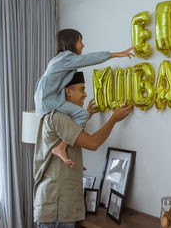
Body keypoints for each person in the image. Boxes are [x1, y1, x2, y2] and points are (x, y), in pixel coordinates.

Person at [33, 72, 133, 227]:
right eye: (82, 89)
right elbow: (93, 143)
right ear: (68, 91)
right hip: (58, 206)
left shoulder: (58, 116)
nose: (85, 94)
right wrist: (113, 119)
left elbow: (70, 136)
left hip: (57, 204)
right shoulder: (59, 117)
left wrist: (86, 115)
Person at [34, 29, 134, 168]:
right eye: (80, 41)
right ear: (71, 42)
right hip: (48, 99)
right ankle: (61, 148)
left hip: (44, 99)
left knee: (79, 116)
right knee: (82, 114)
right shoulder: (66, 57)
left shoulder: (58, 60)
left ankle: (63, 150)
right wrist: (116, 54)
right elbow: (89, 59)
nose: (83, 45)